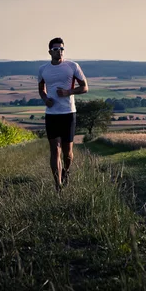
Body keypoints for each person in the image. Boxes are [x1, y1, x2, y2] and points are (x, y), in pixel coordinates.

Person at [38, 37, 88, 190]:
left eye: (61, 49)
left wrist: (68, 92)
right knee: (55, 150)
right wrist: (46, 99)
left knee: (67, 153)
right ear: (49, 52)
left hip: (68, 113)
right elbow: (41, 89)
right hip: (52, 114)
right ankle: (57, 184)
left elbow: (85, 87)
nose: (59, 52)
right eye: (56, 49)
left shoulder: (72, 66)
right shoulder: (43, 69)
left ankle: (66, 172)